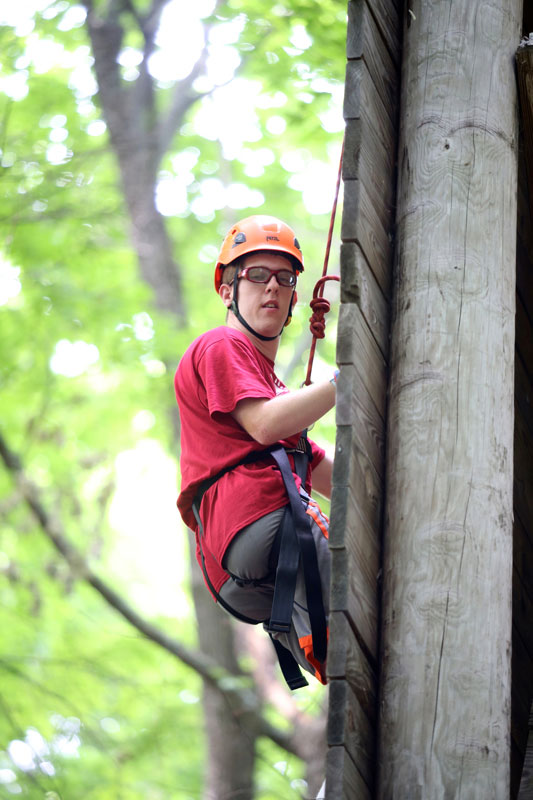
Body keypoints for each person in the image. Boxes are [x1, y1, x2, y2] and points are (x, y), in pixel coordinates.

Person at [174, 215, 338, 688]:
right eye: (257, 275)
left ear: (292, 301)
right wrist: (345, 383)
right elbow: (265, 425)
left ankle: (340, 661)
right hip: (257, 521)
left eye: (284, 279)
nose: (272, 288)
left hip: (243, 569)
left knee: (348, 639)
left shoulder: (276, 391)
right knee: (356, 574)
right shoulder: (220, 344)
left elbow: (332, 476)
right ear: (228, 290)